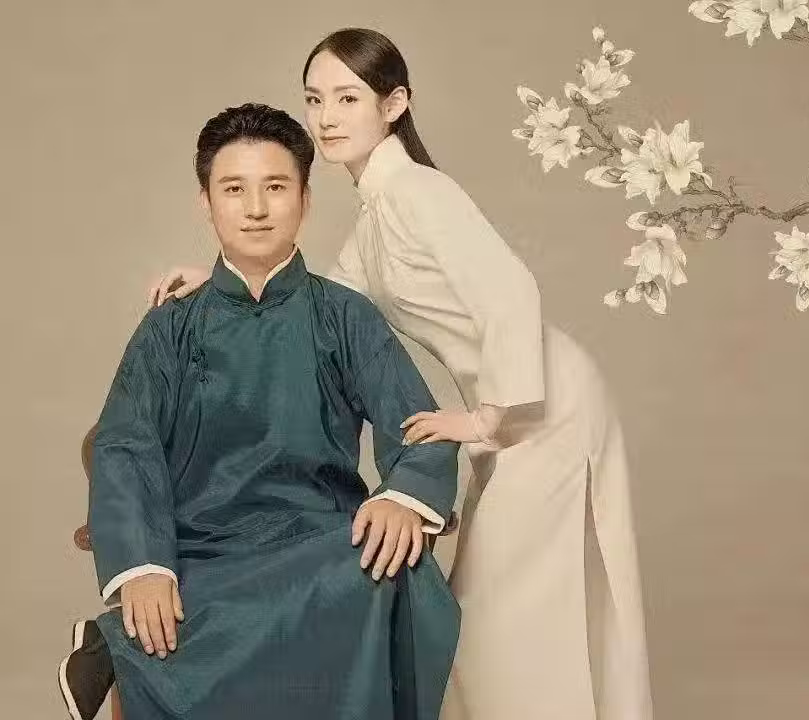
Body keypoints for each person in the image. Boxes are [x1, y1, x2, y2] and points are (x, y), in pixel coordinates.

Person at [148, 28, 653, 720]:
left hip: (546, 409)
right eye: (315, 99)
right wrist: (214, 282)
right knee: (514, 611)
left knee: (511, 613)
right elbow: (318, 305)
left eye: (347, 98)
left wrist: (485, 418)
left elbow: (512, 291)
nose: (326, 117)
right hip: (512, 418)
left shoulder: (418, 189)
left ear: (394, 104)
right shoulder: (377, 213)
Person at [58, 102, 461, 720]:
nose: (255, 208)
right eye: (233, 189)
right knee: (187, 597)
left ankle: (110, 648)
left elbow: (418, 424)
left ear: (305, 198)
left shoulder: (343, 315)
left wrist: (403, 497)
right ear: (205, 202)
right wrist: (141, 566)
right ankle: (121, 640)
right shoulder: (170, 327)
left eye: (274, 187)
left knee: (385, 566)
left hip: (320, 540)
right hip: (202, 548)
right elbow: (125, 446)